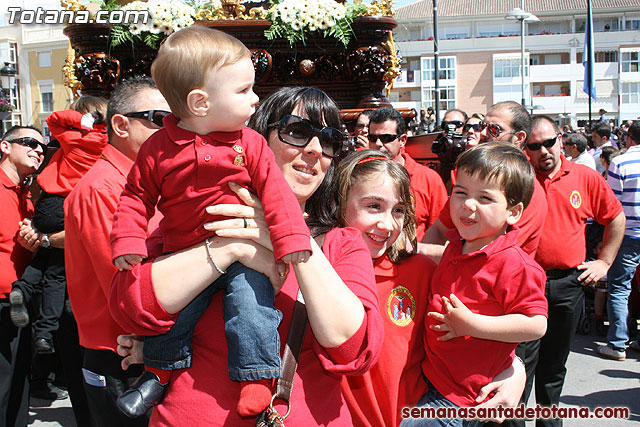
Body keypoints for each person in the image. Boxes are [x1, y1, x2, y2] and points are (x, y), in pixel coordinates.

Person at [109, 86, 383, 426]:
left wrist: (285, 234)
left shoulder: (342, 243)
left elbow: (352, 351)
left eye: (328, 141)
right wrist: (232, 248)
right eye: (297, 131)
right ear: (253, 140)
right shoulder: (197, 222)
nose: (315, 150)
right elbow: (131, 307)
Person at [110, 27, 313, 418]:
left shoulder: (249, 144)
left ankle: (255, 376)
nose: (255, 99)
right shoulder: (157, 149)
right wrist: (128, 242)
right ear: (200, 102)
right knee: (174, 317)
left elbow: (276, 195)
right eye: (244, 91)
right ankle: (157, 374)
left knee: (251, 307)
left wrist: (290, 240)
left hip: (242, 259)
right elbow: (135, 197)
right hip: (183, 252)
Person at [336, 150, 529, 427]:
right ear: (340, 202)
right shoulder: (317, 271)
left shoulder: (422, 271)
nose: (388, 224)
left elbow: (472, 330)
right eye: (373, 206)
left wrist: (514, 369)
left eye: (399, 210)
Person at [402, 143, 547, 427]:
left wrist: (472, 324)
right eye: (461, 193)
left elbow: (536, 324)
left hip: (461, 398)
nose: (468, 205)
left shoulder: (515, 264)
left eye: (484, 198)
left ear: (513, 212)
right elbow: (440, 254)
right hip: (433, 378)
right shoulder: (457, 246)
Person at [64, 76, 170, 427]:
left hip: (145, 350)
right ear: (121, 125)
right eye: (159, 119)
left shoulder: (141, 182)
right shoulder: (102, 188)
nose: (170, 130)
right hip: (122, 358)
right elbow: (128, 284)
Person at [523, 115, 625, 426]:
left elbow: (615, 218)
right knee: (519, 365)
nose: (544, 151)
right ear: (526, 147)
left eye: (549, 142)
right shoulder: (519, 178)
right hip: (524, 286)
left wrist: (604, 262)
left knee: (554, 367)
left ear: (561, 139)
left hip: (567, 284)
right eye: (535, 146)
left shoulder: (585, 177)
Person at [9, 95, 108, 356]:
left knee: (44, 258)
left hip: (49, 204)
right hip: (70, 207)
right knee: (57, 273)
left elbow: (53, 118)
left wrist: (80, 119)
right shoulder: (102, 143)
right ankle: (44, 333)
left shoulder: (71, 139)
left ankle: (23, 288)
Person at [422, 101, 547, 261]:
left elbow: (487, 256)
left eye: (495, 129)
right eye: (483, 126)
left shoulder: (527, 189)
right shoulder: (475, 177)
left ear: (519, 138)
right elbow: (440, 230)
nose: (482, 134)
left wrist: (419, 250)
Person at [0, 125, 47, 426]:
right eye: (29, 142)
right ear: (5, 147)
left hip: (19, 301)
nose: (39, 150)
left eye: (42, 146)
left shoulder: (27, 194)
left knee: (18, 383)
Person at [367, 107, 448, 241]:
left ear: (403, 140)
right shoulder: (359, 176)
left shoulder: (429, 179)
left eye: (386, 138)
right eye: (372, 138)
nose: (378, 144)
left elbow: (441, 231)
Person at [597, 121, 640, 361]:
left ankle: (617, 343)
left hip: (628, 234)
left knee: (620, 288)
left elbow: (612, 206)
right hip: (630, 233)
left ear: (629, 138)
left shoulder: (621, 162)